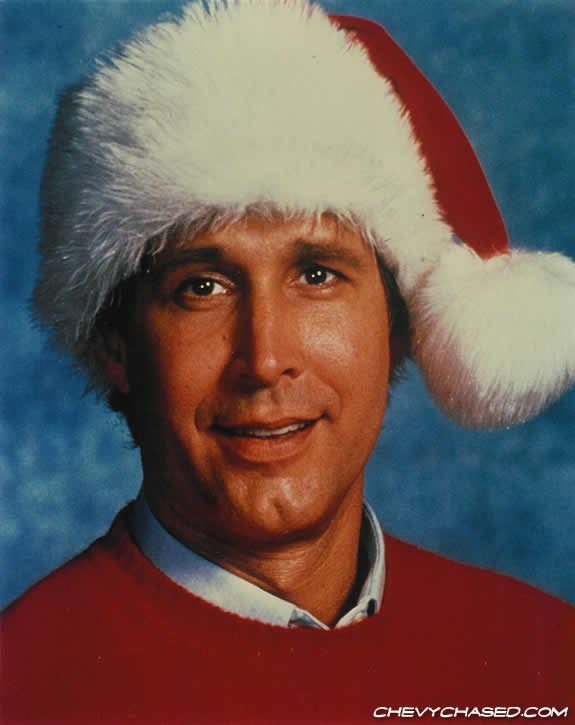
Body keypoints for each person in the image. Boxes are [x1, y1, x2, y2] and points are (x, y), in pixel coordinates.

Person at [2, 0, 574, 721]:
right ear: (115, 348)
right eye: (201, 287)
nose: (265, 358)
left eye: (317, 275)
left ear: (399, 325)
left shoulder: (544, 659)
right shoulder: (22, 684)